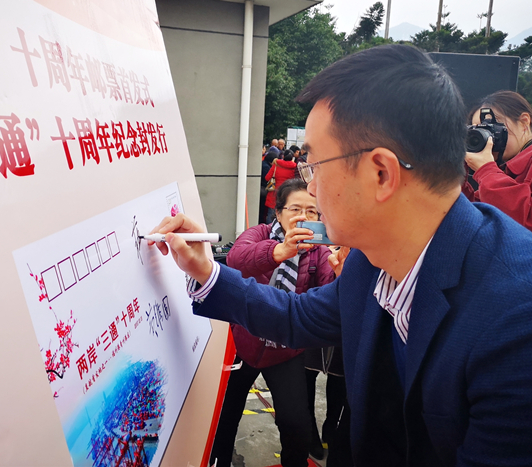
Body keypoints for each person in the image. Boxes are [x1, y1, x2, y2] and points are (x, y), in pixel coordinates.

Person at [150, 45, 532, 466]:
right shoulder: (373, 258)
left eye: (314, 165)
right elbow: (297, 316)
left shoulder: (515, 320)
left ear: (380, 173)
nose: (310, 189)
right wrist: (204, 269)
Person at [210, 179, 335, 467]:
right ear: (278, 212)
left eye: (312, 211)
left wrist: (342, 268)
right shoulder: (260, 234)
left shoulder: (319, 251)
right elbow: (236, 258)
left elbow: (329, 285)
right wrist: (280, 251)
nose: (303, 216)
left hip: (285, 349)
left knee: (296, 425)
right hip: (242, 343)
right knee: (225, 417)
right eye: (295, 209)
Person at [462, 90, 532, 230]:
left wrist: (487, 171)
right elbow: (475, 216)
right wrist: (456, 176)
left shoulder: (495, 173)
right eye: (477, 130)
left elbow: (523, 222)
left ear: (524, 122)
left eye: (491, 127)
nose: (486, 136)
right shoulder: (503, 169)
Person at [265, 150, 297, 223]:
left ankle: (270, 229)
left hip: (274, 193)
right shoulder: (294, 167)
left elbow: (267, 177)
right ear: (292, 158)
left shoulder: (276, 165)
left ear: (283, 156)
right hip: (287, 193)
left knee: (271, 214)